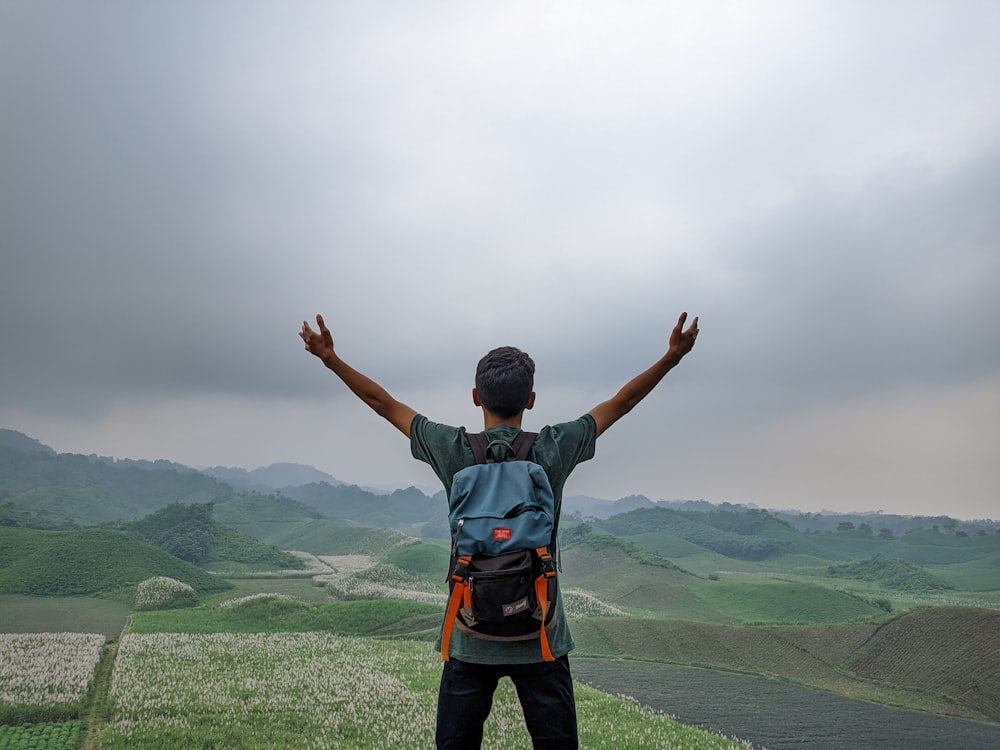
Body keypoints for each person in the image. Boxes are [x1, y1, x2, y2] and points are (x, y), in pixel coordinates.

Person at [299, 311, 700, 749]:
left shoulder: (453, 449)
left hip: (468, 635)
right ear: (531, 399)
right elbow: (621, 403)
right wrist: (672, 357)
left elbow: (384, 404)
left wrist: (330, 358)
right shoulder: (553, 447)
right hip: (542, 636)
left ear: (476, 397)